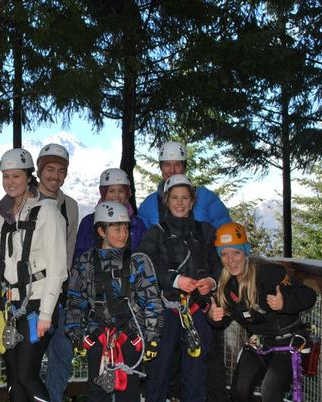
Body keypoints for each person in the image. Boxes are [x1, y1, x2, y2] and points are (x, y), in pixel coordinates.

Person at [137, 141, 231, 401]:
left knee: (196, 371)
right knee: (160, 370)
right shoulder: (156, 233)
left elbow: (220, 260)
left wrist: (211, 281)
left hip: (197, 310)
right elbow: (143, 262)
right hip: (166, 310)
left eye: (185, 198)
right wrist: (175, 279)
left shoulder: (205, 231)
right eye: (174, 198)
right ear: (166, 201)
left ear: (193, 201)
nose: (179, 203)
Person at [66, 201, 164, 402]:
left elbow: (151, 300)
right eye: (117, 228)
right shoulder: (85, 262)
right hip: (96, 336)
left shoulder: (138, 261)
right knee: (96, 392)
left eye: (126, 228)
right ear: (101, 231)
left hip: (130, 336)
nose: (123, 234)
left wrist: (152, 336)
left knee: (128, 392)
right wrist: (75, 333)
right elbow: (76, 300)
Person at [209, 222, 317, 401]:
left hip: (288, 342)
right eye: (224, 254)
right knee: (239, 392)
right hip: (259, 343)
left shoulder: (268, 273)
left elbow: (309, 295)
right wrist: (213, 317)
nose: (231, 260)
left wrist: (285, 304)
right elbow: (222, 320)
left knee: (270, 393)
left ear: (245, 252)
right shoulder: (227, 286)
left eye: (236, 252)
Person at [0, 148, 67, 402]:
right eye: (6, 176)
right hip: (10, 305)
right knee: (14, 376)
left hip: (38, 305)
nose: (11, 182)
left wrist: (46, 314)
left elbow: (58, 268)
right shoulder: (1, 215)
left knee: (26, 373)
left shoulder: (48, 213)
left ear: (28, 177)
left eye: (16, 176)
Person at [35, 143, 79, 402]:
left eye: (60, 170)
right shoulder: (25, 199)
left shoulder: (69, 207)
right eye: (49, 169)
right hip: (30, 294)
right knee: (26, 362)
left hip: (60, 295)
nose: (55, 175)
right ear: (40, 171)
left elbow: (69, 251)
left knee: (61, 357)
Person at [138, 141, 230, 229]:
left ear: (184, 167)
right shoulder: (149, 204)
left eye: (177, 165)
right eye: (167, 165)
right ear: (161, 167)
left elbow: (225, 229)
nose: (172, 170)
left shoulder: (205, 197)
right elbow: (140, 238)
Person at [73, 167, 146, 263]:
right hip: (95, 275)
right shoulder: (89, 222)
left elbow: (144, 255)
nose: (116, 196)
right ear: (103, 193)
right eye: (111, 191)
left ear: (127, 194)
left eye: (121, 191)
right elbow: (79, 257)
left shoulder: (137, 224)